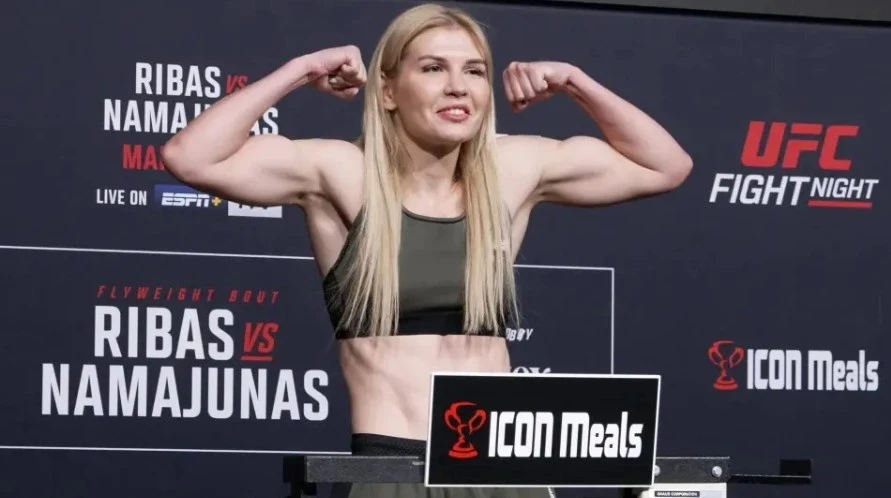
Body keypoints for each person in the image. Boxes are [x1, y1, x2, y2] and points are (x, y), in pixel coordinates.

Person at [162, 3, 692, 497]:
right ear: (388, 91)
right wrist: (302, 70)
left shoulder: (513, 170)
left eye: (474, 71)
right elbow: (191, 157)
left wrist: (575, 82)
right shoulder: (343, 173)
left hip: (504, 469)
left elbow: (665, 166)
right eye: (434, 68)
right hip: (394, 471)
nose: (457, 86)